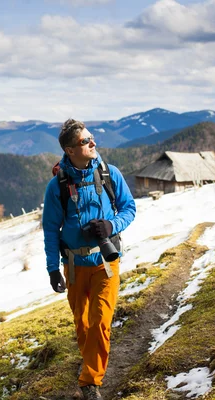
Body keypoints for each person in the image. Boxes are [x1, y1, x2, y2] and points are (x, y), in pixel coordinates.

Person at [42, 118, 136, 400]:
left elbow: (129, 208)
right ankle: (91, 365)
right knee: (82, 325)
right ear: (70, 150)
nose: (93, 143)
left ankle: (90, 382)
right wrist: (52, 269)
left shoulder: (109, 174)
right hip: (72, 266)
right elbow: (50, 229)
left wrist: (111, 226)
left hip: (106, 262)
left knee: (99, 322)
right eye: (86, 141)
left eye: (92, 138)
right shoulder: (57, 186)